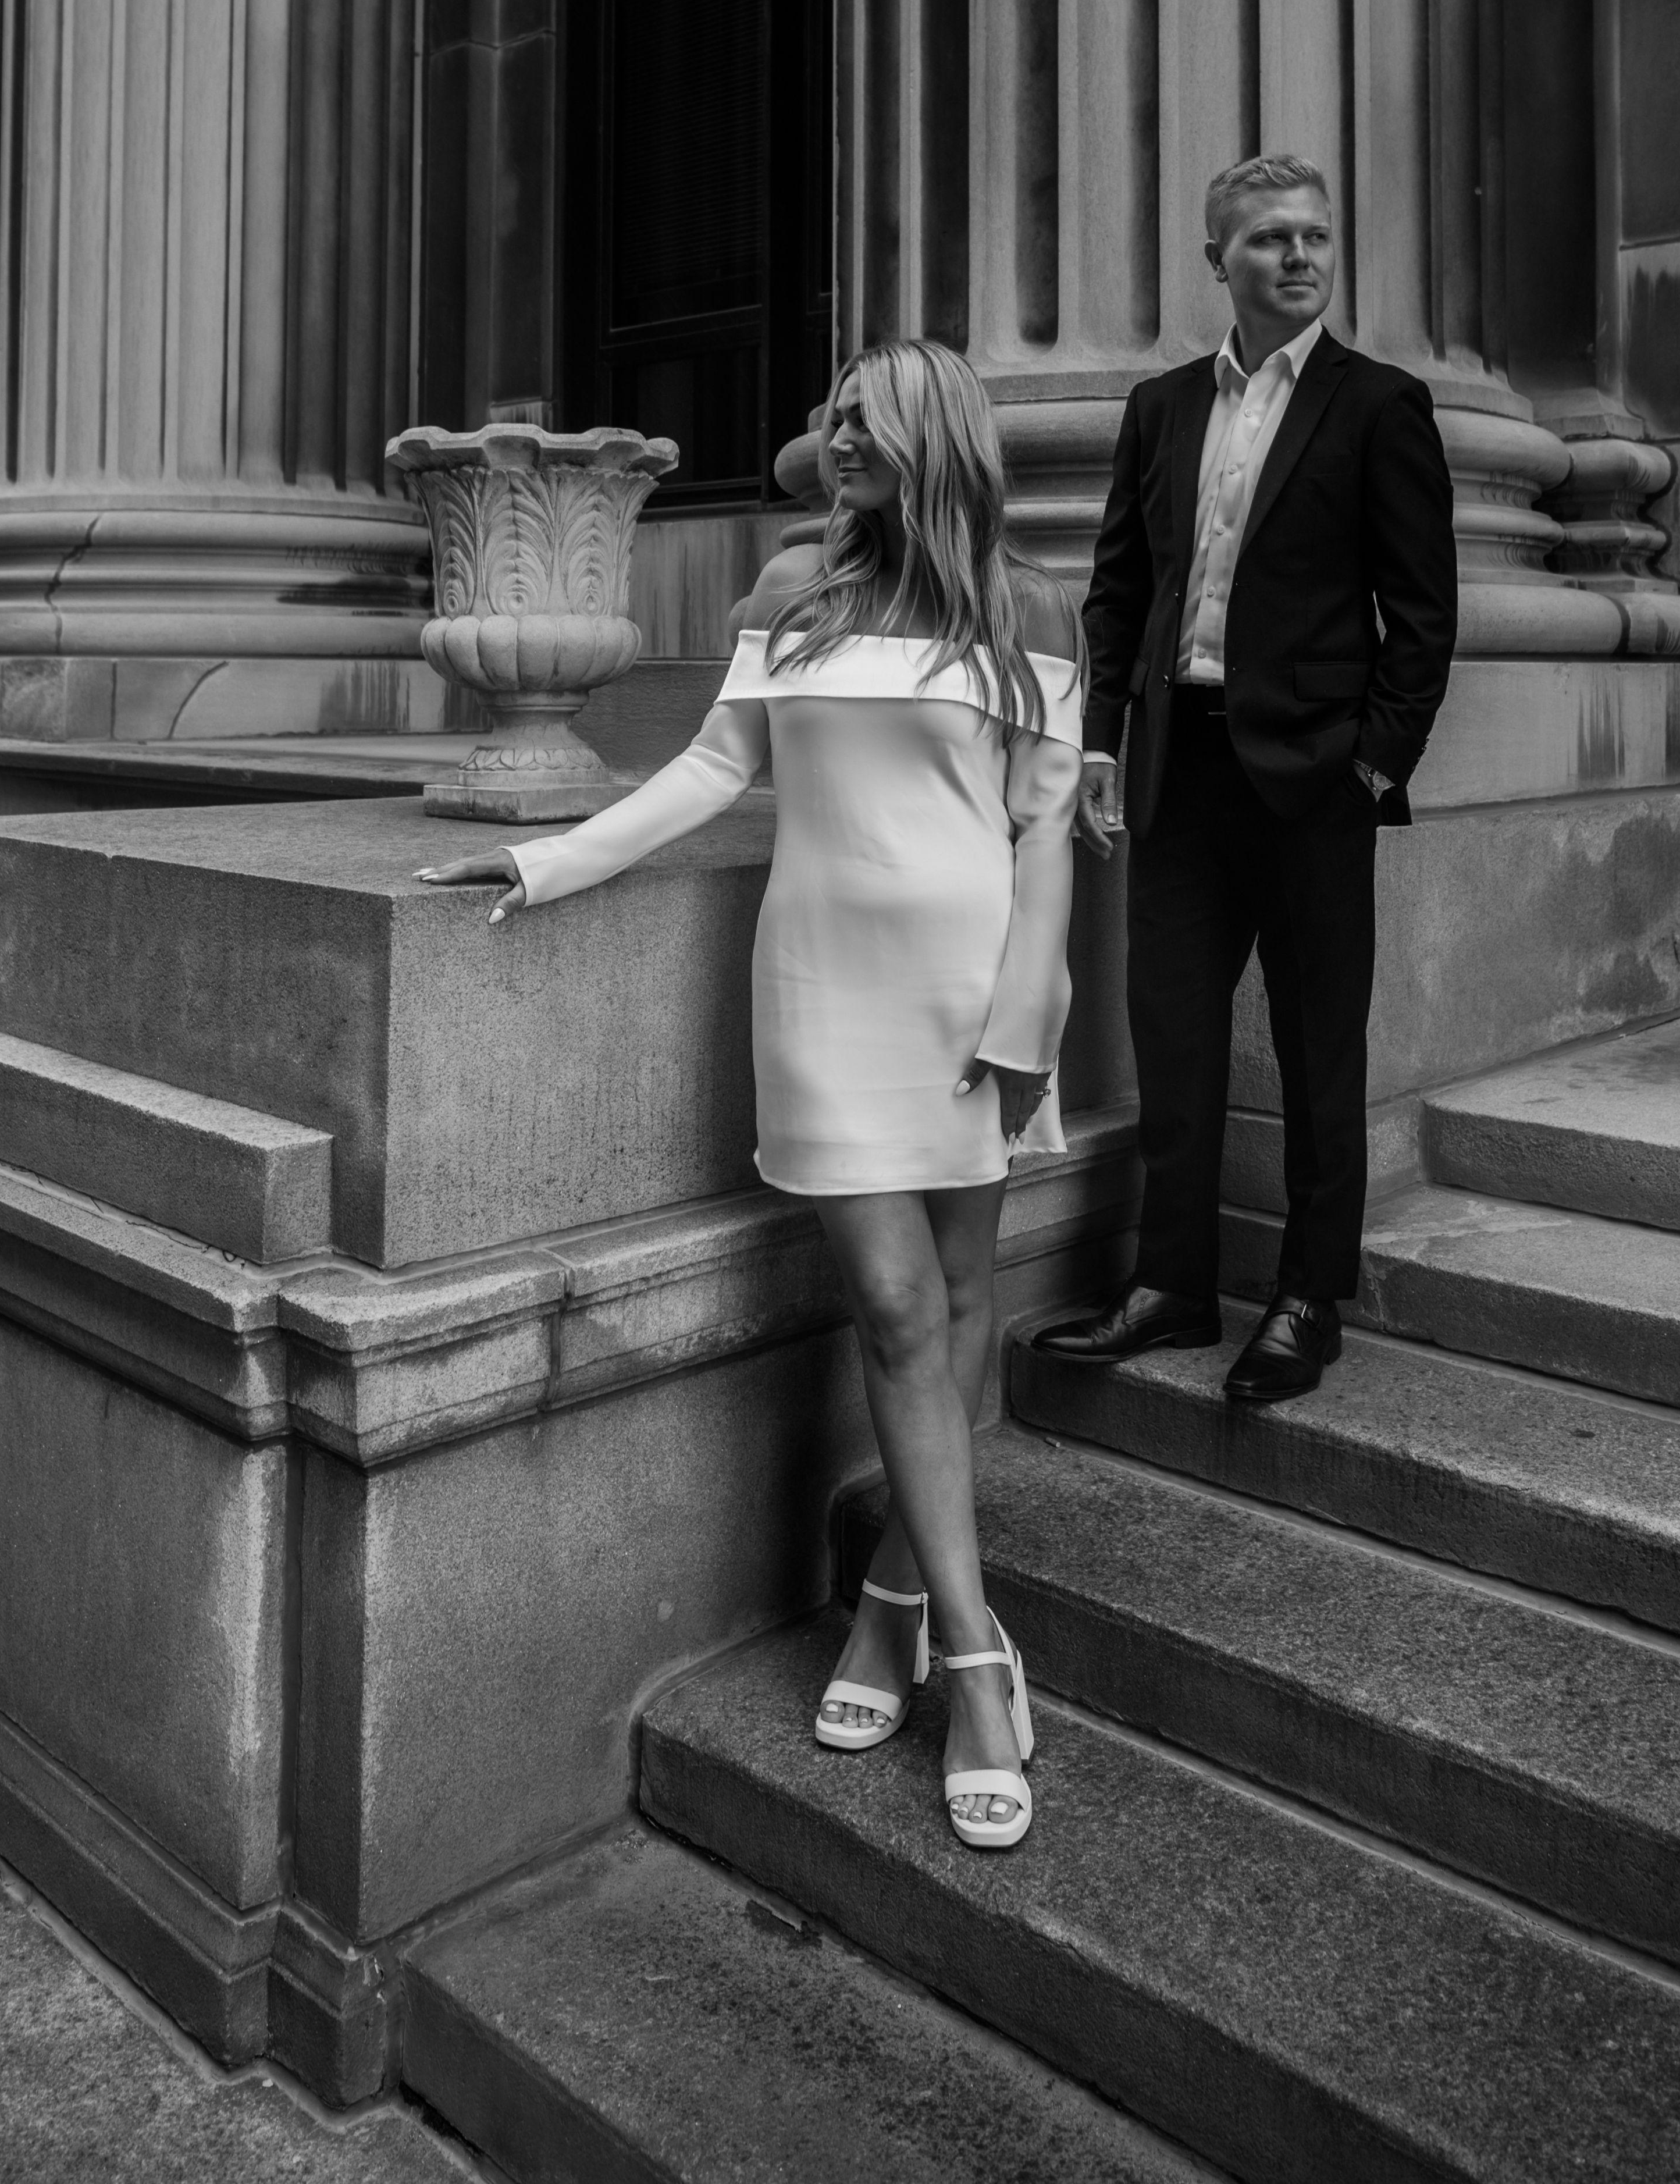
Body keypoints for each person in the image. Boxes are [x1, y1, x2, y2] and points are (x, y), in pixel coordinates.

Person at [417, 340, 1083, 1853]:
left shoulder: (1028, 608)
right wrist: (545, 858)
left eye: (863, 418)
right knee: (895, 1303)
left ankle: (896, 1599)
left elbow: (1043, 829)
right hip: (822, 989)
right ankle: (978, 1659)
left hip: (970, 990)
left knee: (959, 1295)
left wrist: (1028, 1015)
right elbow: (711, 770)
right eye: (831, 414)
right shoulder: (789, 590)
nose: (833, 436)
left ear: (932, 438)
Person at [1035, 154, 1457, 1404]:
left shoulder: (1378, 404)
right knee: (1171, 1042)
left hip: (1313, 779)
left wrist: (1371, 766)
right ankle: (1170, 1284)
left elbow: (1422, 617)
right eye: (1270, 237)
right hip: (1178, 770)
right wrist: (1099, 740)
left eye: (1314, 234)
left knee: (1319, 1051)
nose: (1299, 254)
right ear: (1216, 258)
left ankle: (1308, 1296)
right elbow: (1119, 589)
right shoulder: (1161, 405)